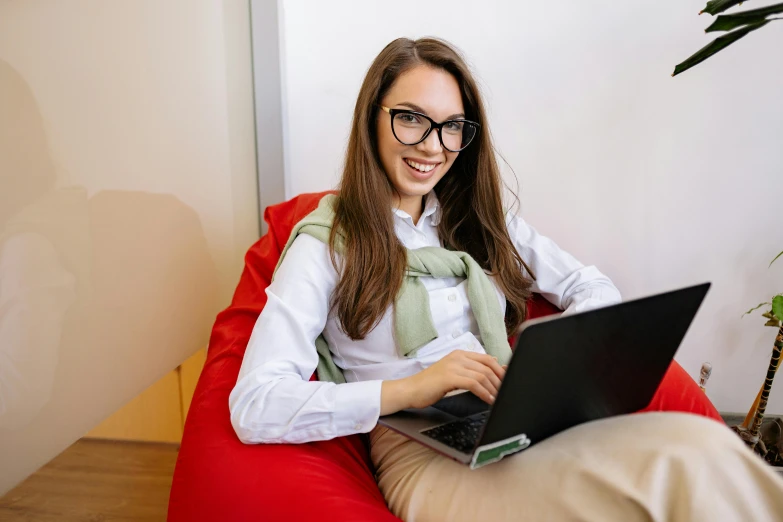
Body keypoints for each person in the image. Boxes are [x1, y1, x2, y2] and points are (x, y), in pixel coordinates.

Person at [229, 38, 783, 521]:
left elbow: (591, 288)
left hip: (515, 422)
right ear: (371, 116)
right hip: (423, 453)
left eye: (451, 128)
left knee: (701, 443)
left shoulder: (477, 221)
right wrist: (409, 389)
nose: (432, 146)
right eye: (412, 118)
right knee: (668, 480)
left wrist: (542, 367)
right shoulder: (327, 243)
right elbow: (254, 404)